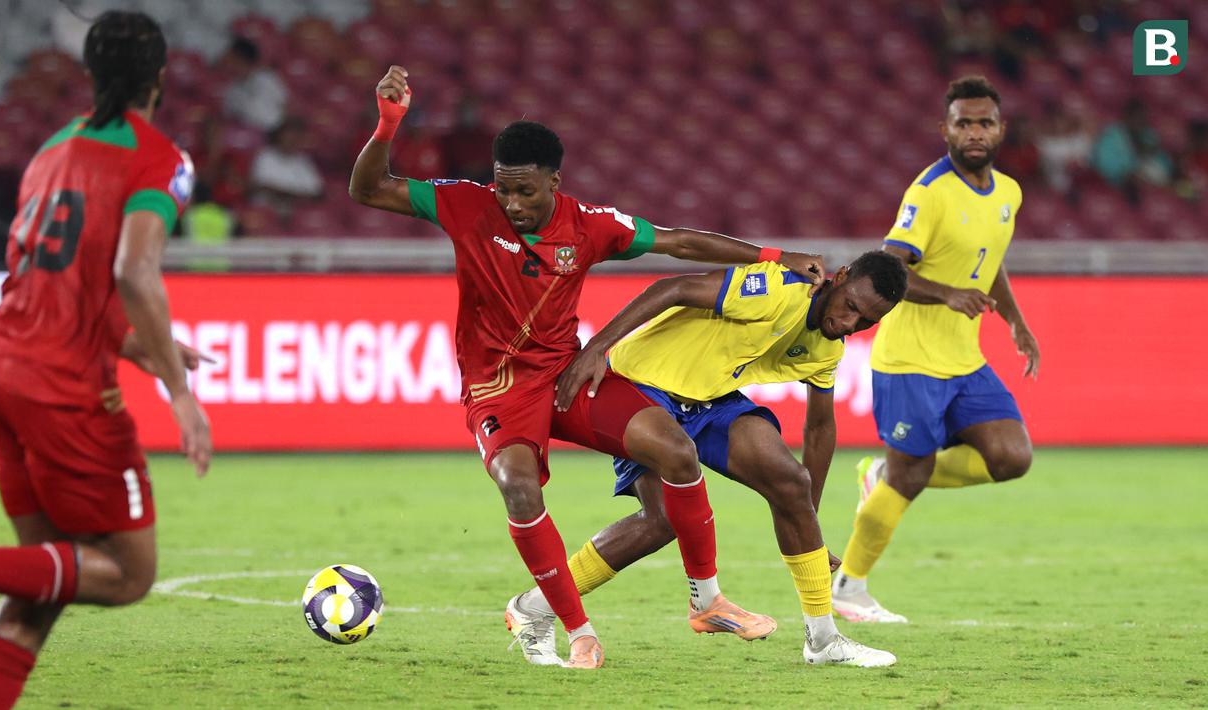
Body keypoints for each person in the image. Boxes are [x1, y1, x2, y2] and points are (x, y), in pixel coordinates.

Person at [349, 66, 826, 669]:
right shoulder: (464, 204)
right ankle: (572, 629)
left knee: (676, 449)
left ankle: (707, 601)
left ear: (555, 180)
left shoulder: (591, 225)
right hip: (497, 388)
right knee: (518, 486)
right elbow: (368, 189)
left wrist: (778, 257)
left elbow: (678, 242)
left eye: (527, 191)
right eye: (504, 190)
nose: (513, 204)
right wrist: (389, 123)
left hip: (565, 375)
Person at [507, 251, 908, 668]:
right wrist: (597, 348)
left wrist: (810, 523)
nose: (848, 323)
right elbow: (673, 288)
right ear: (840, 277)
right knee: (661, 520)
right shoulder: (778, 288)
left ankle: (823, 640)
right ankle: (537, 604)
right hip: (640, 389)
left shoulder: (827, 350)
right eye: (851, 307)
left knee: (791, 483)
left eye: (865, 322)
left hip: (709, 398)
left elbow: (820, 429)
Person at [0, 13, 212, 709]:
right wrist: (178, 391)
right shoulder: (160, 159)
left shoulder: (52, 149)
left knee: (42, 582)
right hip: (58, 387)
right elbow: (134, 274)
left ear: (91, 75)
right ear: (161, 78)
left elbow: (59, 284)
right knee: (128, 572)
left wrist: (147, 347)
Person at [831, 76, 1039, 624]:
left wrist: (1015, 320)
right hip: (909, 363)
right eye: (963, 123)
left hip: (964, 360)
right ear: (944, 128)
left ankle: (884, 476)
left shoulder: (1008, 193)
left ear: (1001, 129)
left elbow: (989, 261)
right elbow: (888, 266)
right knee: (911, 475)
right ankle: (848, 588)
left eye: (984, 122)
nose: (974, 132)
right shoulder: (929, 191)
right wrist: (946, 293)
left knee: (1011, 456)